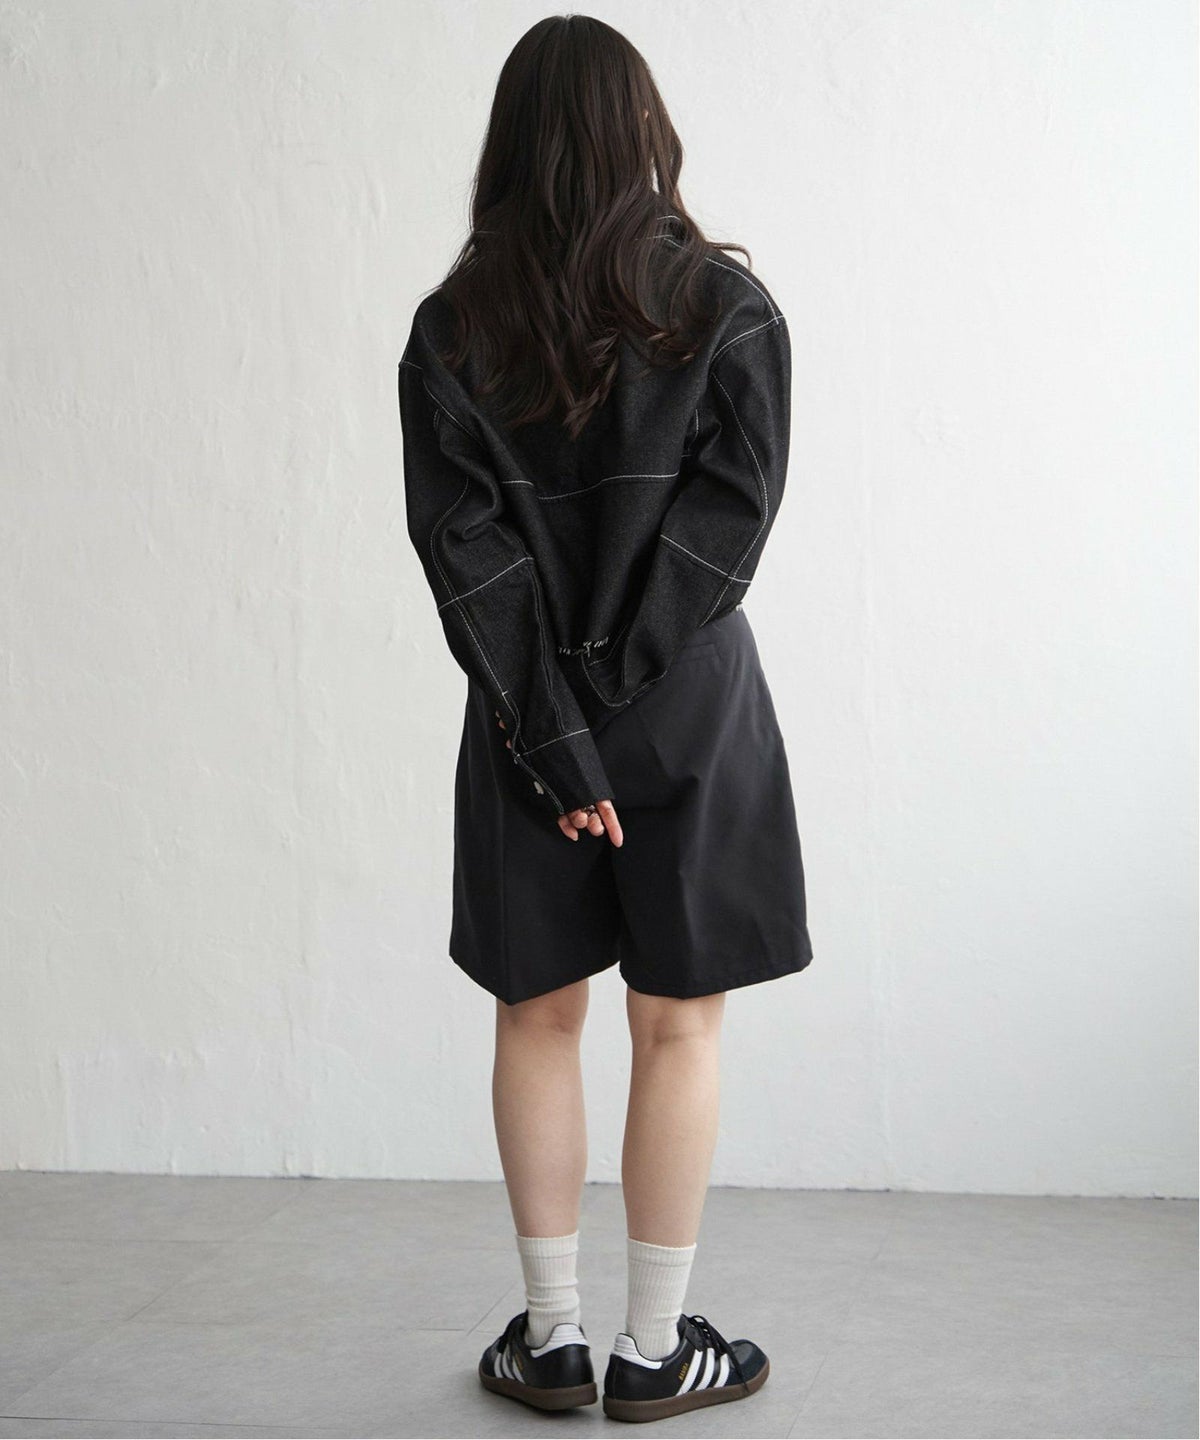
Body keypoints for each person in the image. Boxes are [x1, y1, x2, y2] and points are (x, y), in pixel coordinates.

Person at [397, 13, 814, 1424]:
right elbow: (727, 529)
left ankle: (553, 1339)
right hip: (689, 710)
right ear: (645, 131)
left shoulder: (454, 330)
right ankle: (653, 1350)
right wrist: (627, 684)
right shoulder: (726, 310)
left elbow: (466, 556)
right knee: (678, 1028)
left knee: (537, 1016)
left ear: (510, 145)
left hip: (528, 718)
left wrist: (561, 727)